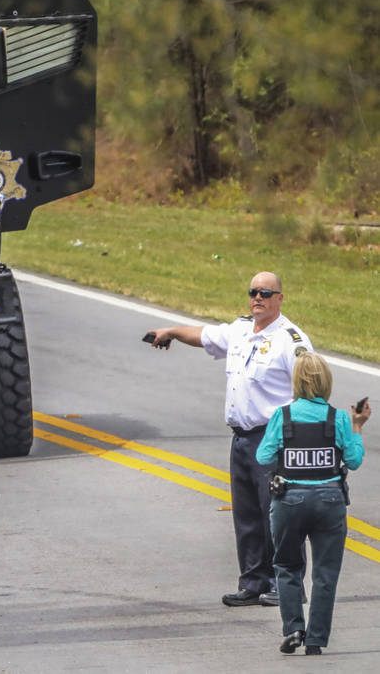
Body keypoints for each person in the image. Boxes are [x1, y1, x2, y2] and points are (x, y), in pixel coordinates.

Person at [147, 271, 311, 608]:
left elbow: (312, 389)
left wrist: (297, 439)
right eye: (253, 291)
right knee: (248, 514)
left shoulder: (292, 341)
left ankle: (287, 584)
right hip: (241, 438)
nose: (257, 298)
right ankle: (253, 582)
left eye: (265, 293)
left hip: (274, 437)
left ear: (280, 298)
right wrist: (172, 332)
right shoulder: (239, 331)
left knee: (279, 515)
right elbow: (204, 336)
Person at [256, 352, 369, 656]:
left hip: (289, 499)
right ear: (326, 382)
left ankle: (293, 627)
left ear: (296, 382)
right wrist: (357, 426)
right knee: (325, 573)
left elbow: (263, 457)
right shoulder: (339, 418)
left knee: (287, 565)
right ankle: (316, 639)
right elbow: (354, 460)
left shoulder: (284, 416)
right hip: (330, 499)